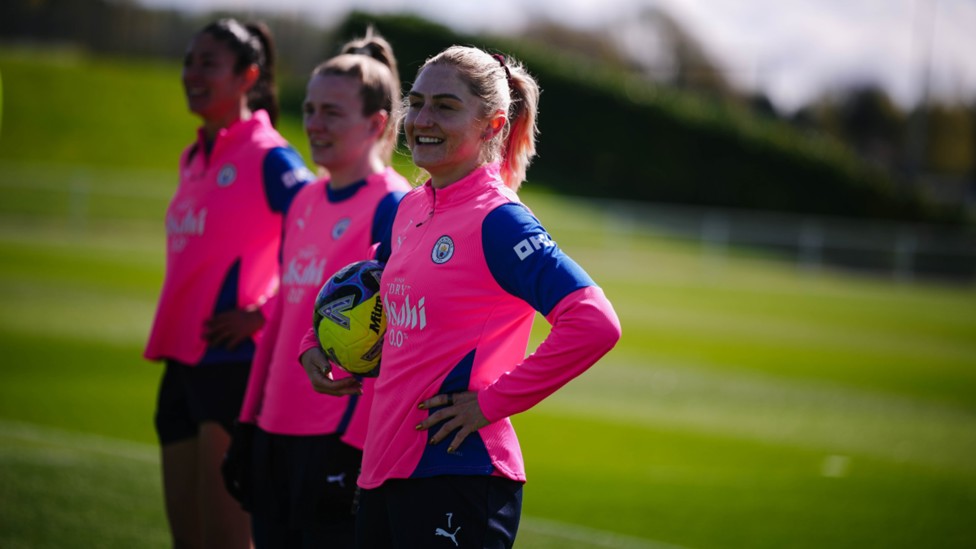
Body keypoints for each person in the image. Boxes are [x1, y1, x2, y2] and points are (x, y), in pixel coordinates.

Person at [352, 46, 622, 548]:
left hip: (459, 471)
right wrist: (317, 342)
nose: (423, 119)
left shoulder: (499, 220)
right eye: (417, 102)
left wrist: (491, 403)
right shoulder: (411, 207)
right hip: (383, 466)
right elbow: (365, 286)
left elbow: (595, 322)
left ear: (493, 125)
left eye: (446, 106)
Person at [222, 29, 410, 548]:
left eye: (331, 112)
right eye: (308, 109)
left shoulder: (392, 206)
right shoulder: (304, 200)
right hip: (274, 428)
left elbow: (390, 339)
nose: (313, 124)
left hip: (334, 440)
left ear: (376, 124)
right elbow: (284, 315)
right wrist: (246, 421)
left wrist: (353, 448)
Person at [144, 18, 314, 549]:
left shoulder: (270, 155)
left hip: (231, 363)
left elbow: (316, 239)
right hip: (181, 362)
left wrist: (261, 314)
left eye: (208, 64)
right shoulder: (193, 155)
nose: (191, 73)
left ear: (248, 76)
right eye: (189, 62)